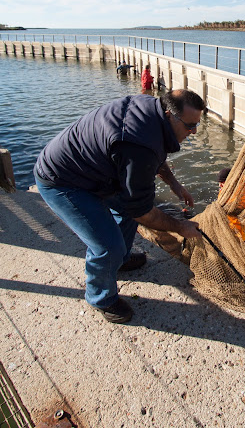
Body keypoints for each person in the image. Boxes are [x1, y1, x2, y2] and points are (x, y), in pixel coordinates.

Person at [34, 90, 205, 324]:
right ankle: (101, 297)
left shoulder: (152, 111)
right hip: (62, 180)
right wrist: (180, 227)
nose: (194, 131)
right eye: (190, 125)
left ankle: (121, 260)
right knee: (106, 246)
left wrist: (175, 185)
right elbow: (142, 211)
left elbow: (155, 152)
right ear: (169, 114)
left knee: (124, 215)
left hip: (93, 170)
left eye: (197, 124)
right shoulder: (138, 142)